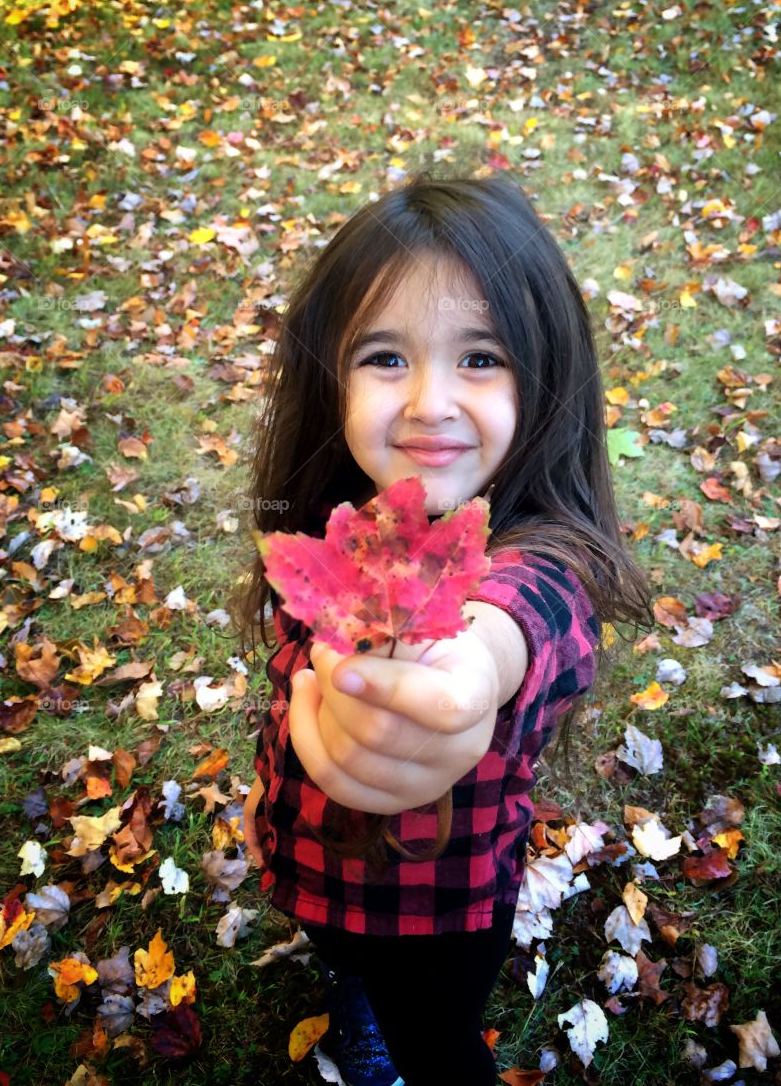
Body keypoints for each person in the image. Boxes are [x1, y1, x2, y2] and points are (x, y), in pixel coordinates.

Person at [231, 168, 653, 1085]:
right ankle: (355, 986)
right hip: (308, 860)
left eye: (480, 356)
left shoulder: (541, 555)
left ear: (544, 374)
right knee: (349, 960)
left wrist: (468, 674)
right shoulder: (326, 526)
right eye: (385, 357)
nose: (428, 403)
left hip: (443, 905)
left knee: (434, 1037)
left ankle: (402, 1027)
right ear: (328, 377)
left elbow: (516, 624)